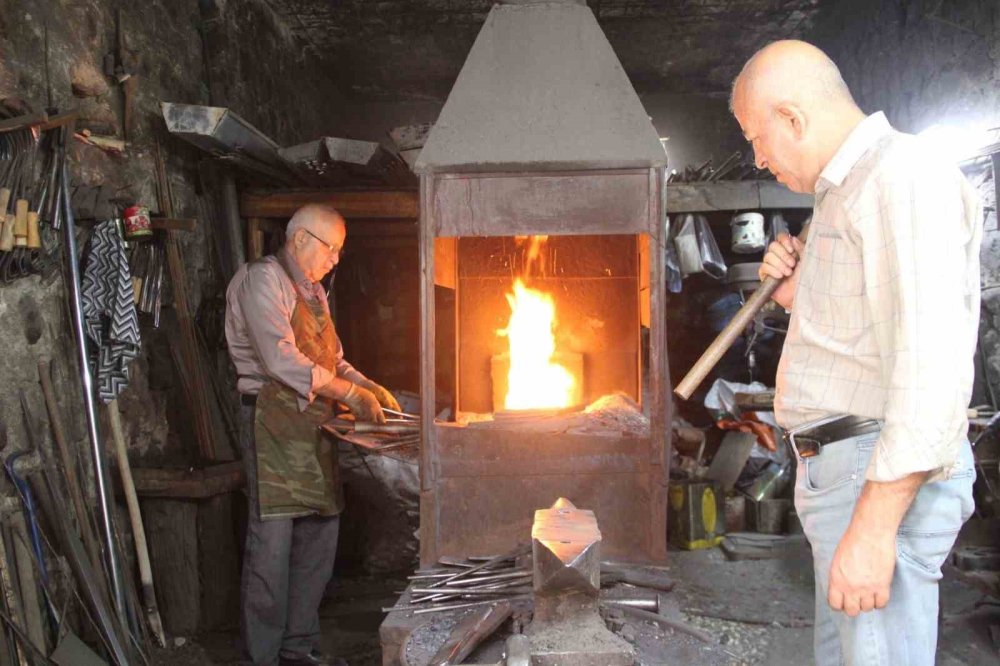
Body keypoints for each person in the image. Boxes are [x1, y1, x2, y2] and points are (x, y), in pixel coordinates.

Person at [730, 40, 981, 665]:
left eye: (756, 137)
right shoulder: (844, 191)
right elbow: (864, 334)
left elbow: (930, 366)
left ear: (792, 117)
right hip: (847, 469)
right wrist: (796, 296)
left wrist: (874, 530)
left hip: (876, 473)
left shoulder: (901, 177)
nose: (758, 159)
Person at [225, 203, 400, 666]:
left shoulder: (314, 292)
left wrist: (365, 386)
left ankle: (298, 648)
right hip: (272, 424)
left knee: (320, 537)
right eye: (332, 248)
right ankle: (262, 656)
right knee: (272, 545)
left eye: (340, 251)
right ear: (300, 238)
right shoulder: (261, 281)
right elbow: (280, 358)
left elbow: (332, 359)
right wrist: (349, 394)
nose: (336, 259)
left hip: (312, 426)